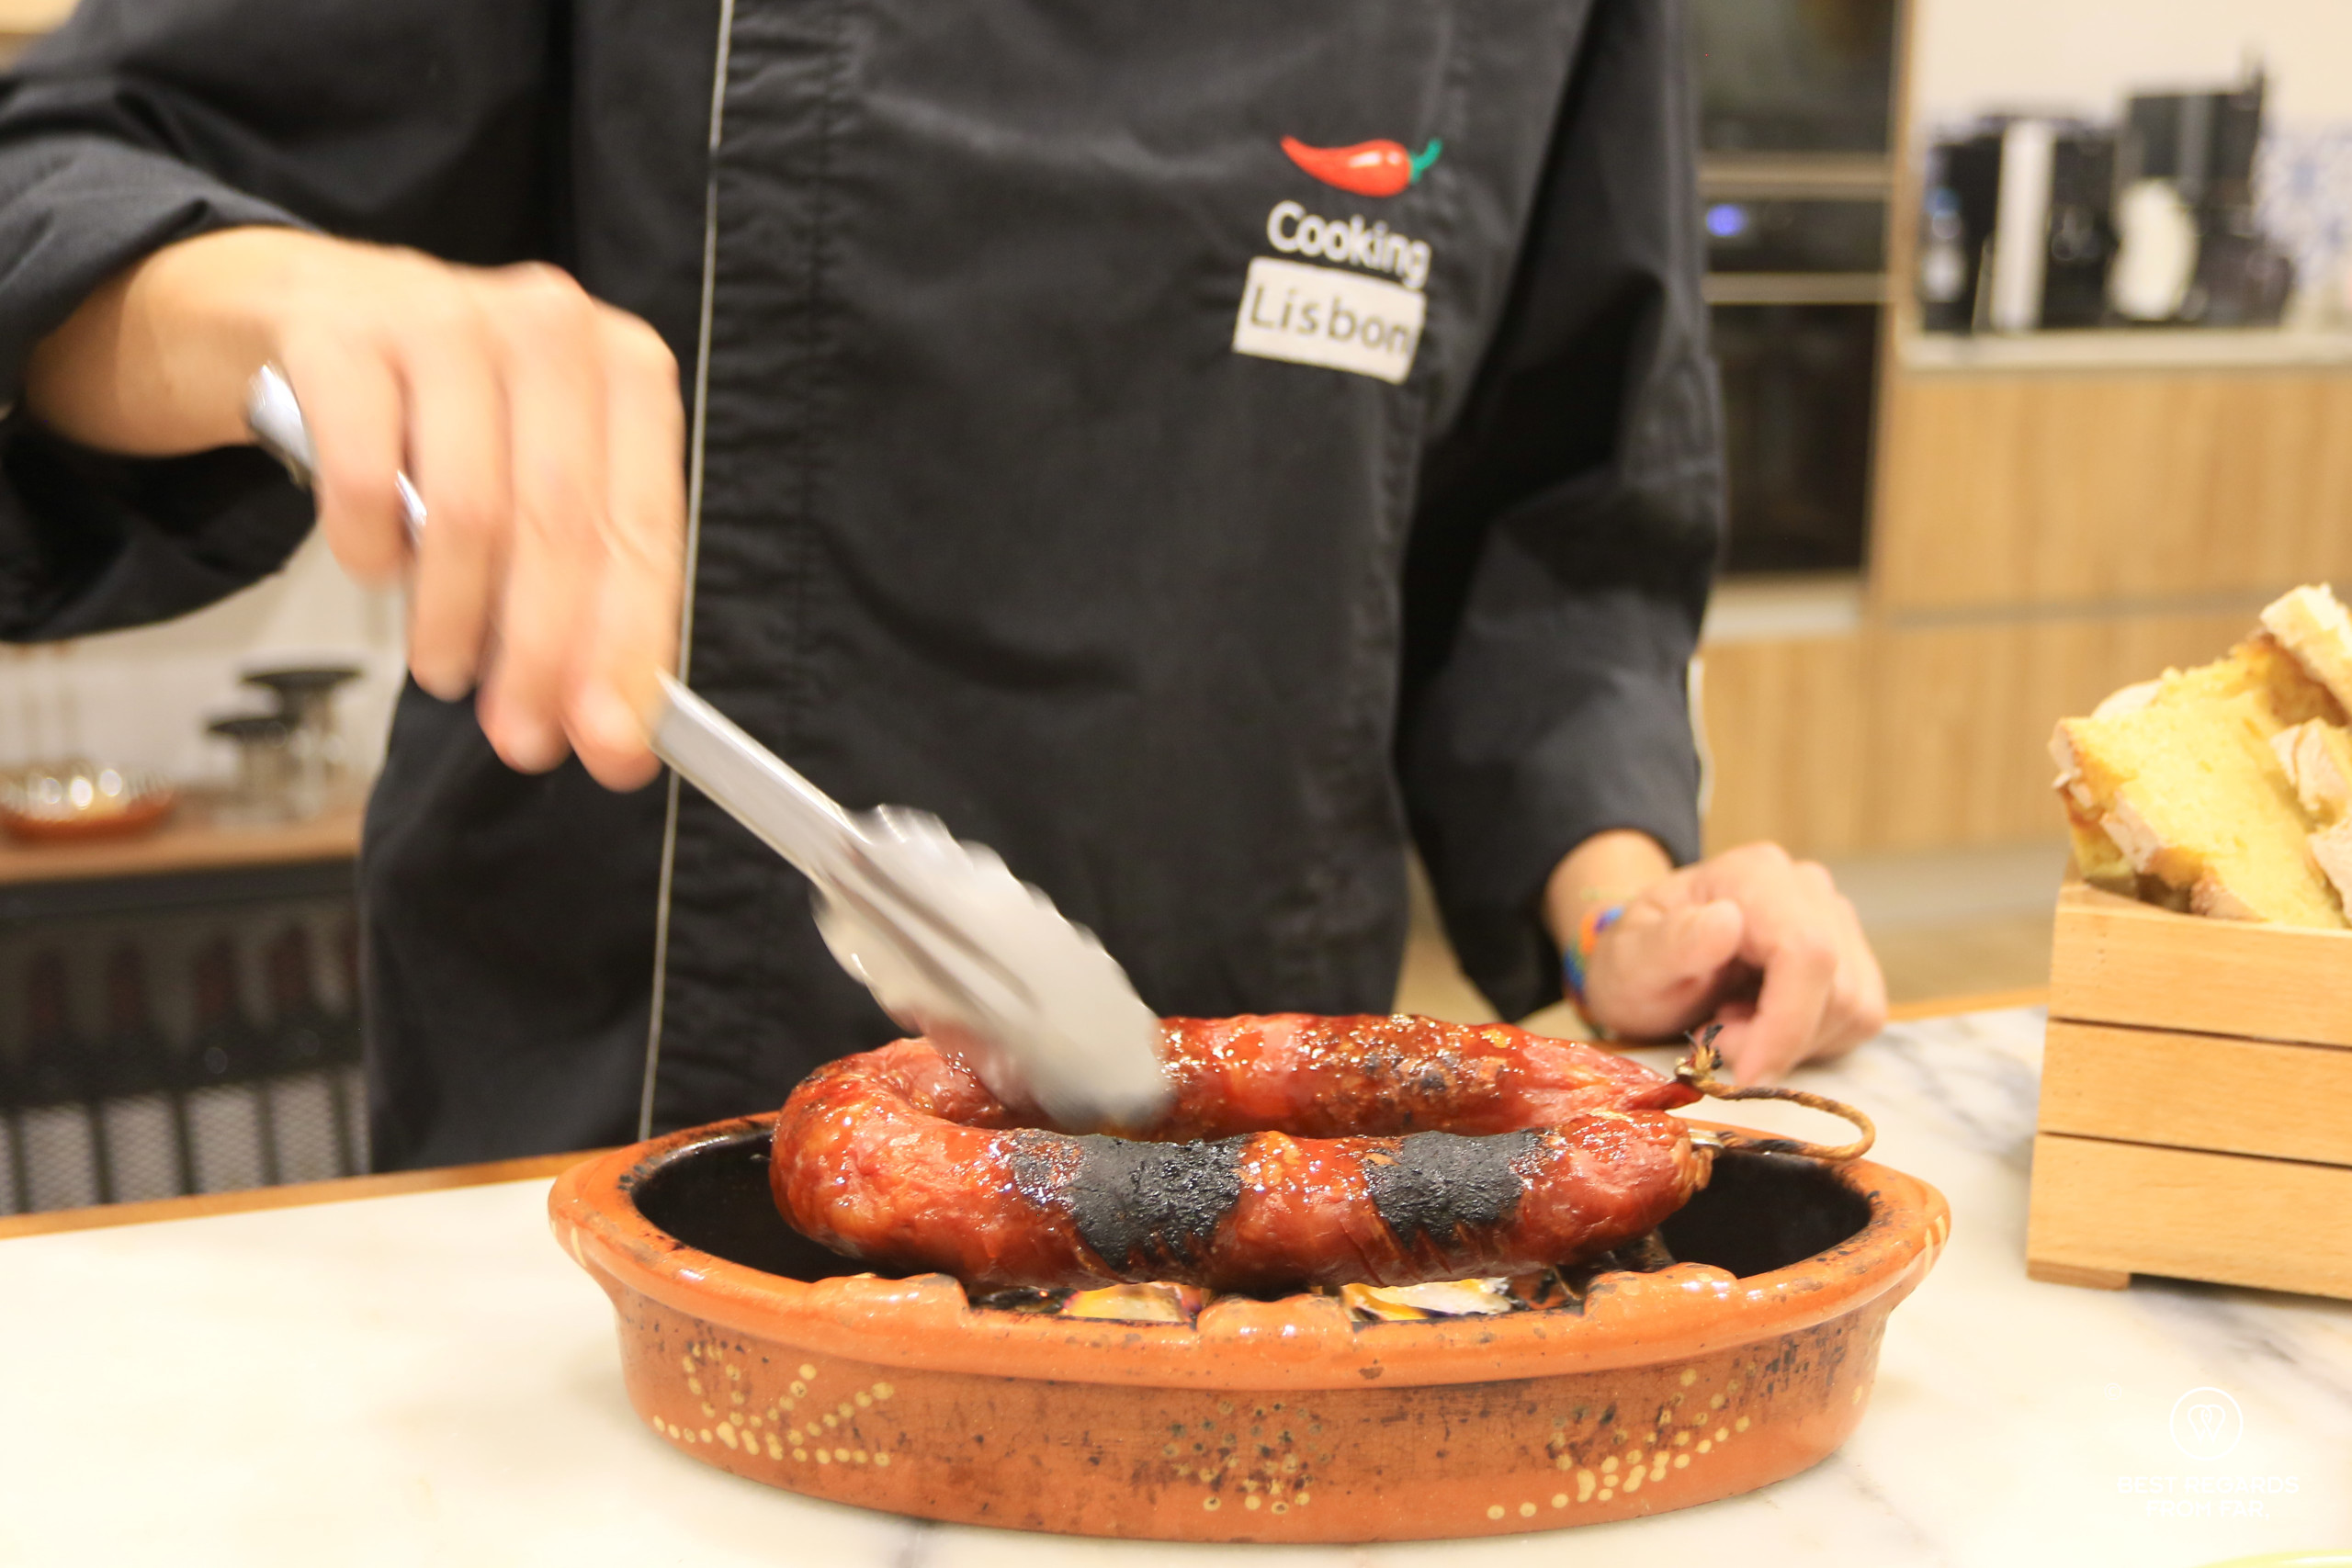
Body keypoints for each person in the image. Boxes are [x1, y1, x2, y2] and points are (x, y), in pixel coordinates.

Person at [0, 0, 1883, 1170]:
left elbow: (1553, 521)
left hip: (1250, 1216)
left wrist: (1619, 909)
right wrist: (282, 294)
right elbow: (59, 178)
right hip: (618, 1146)